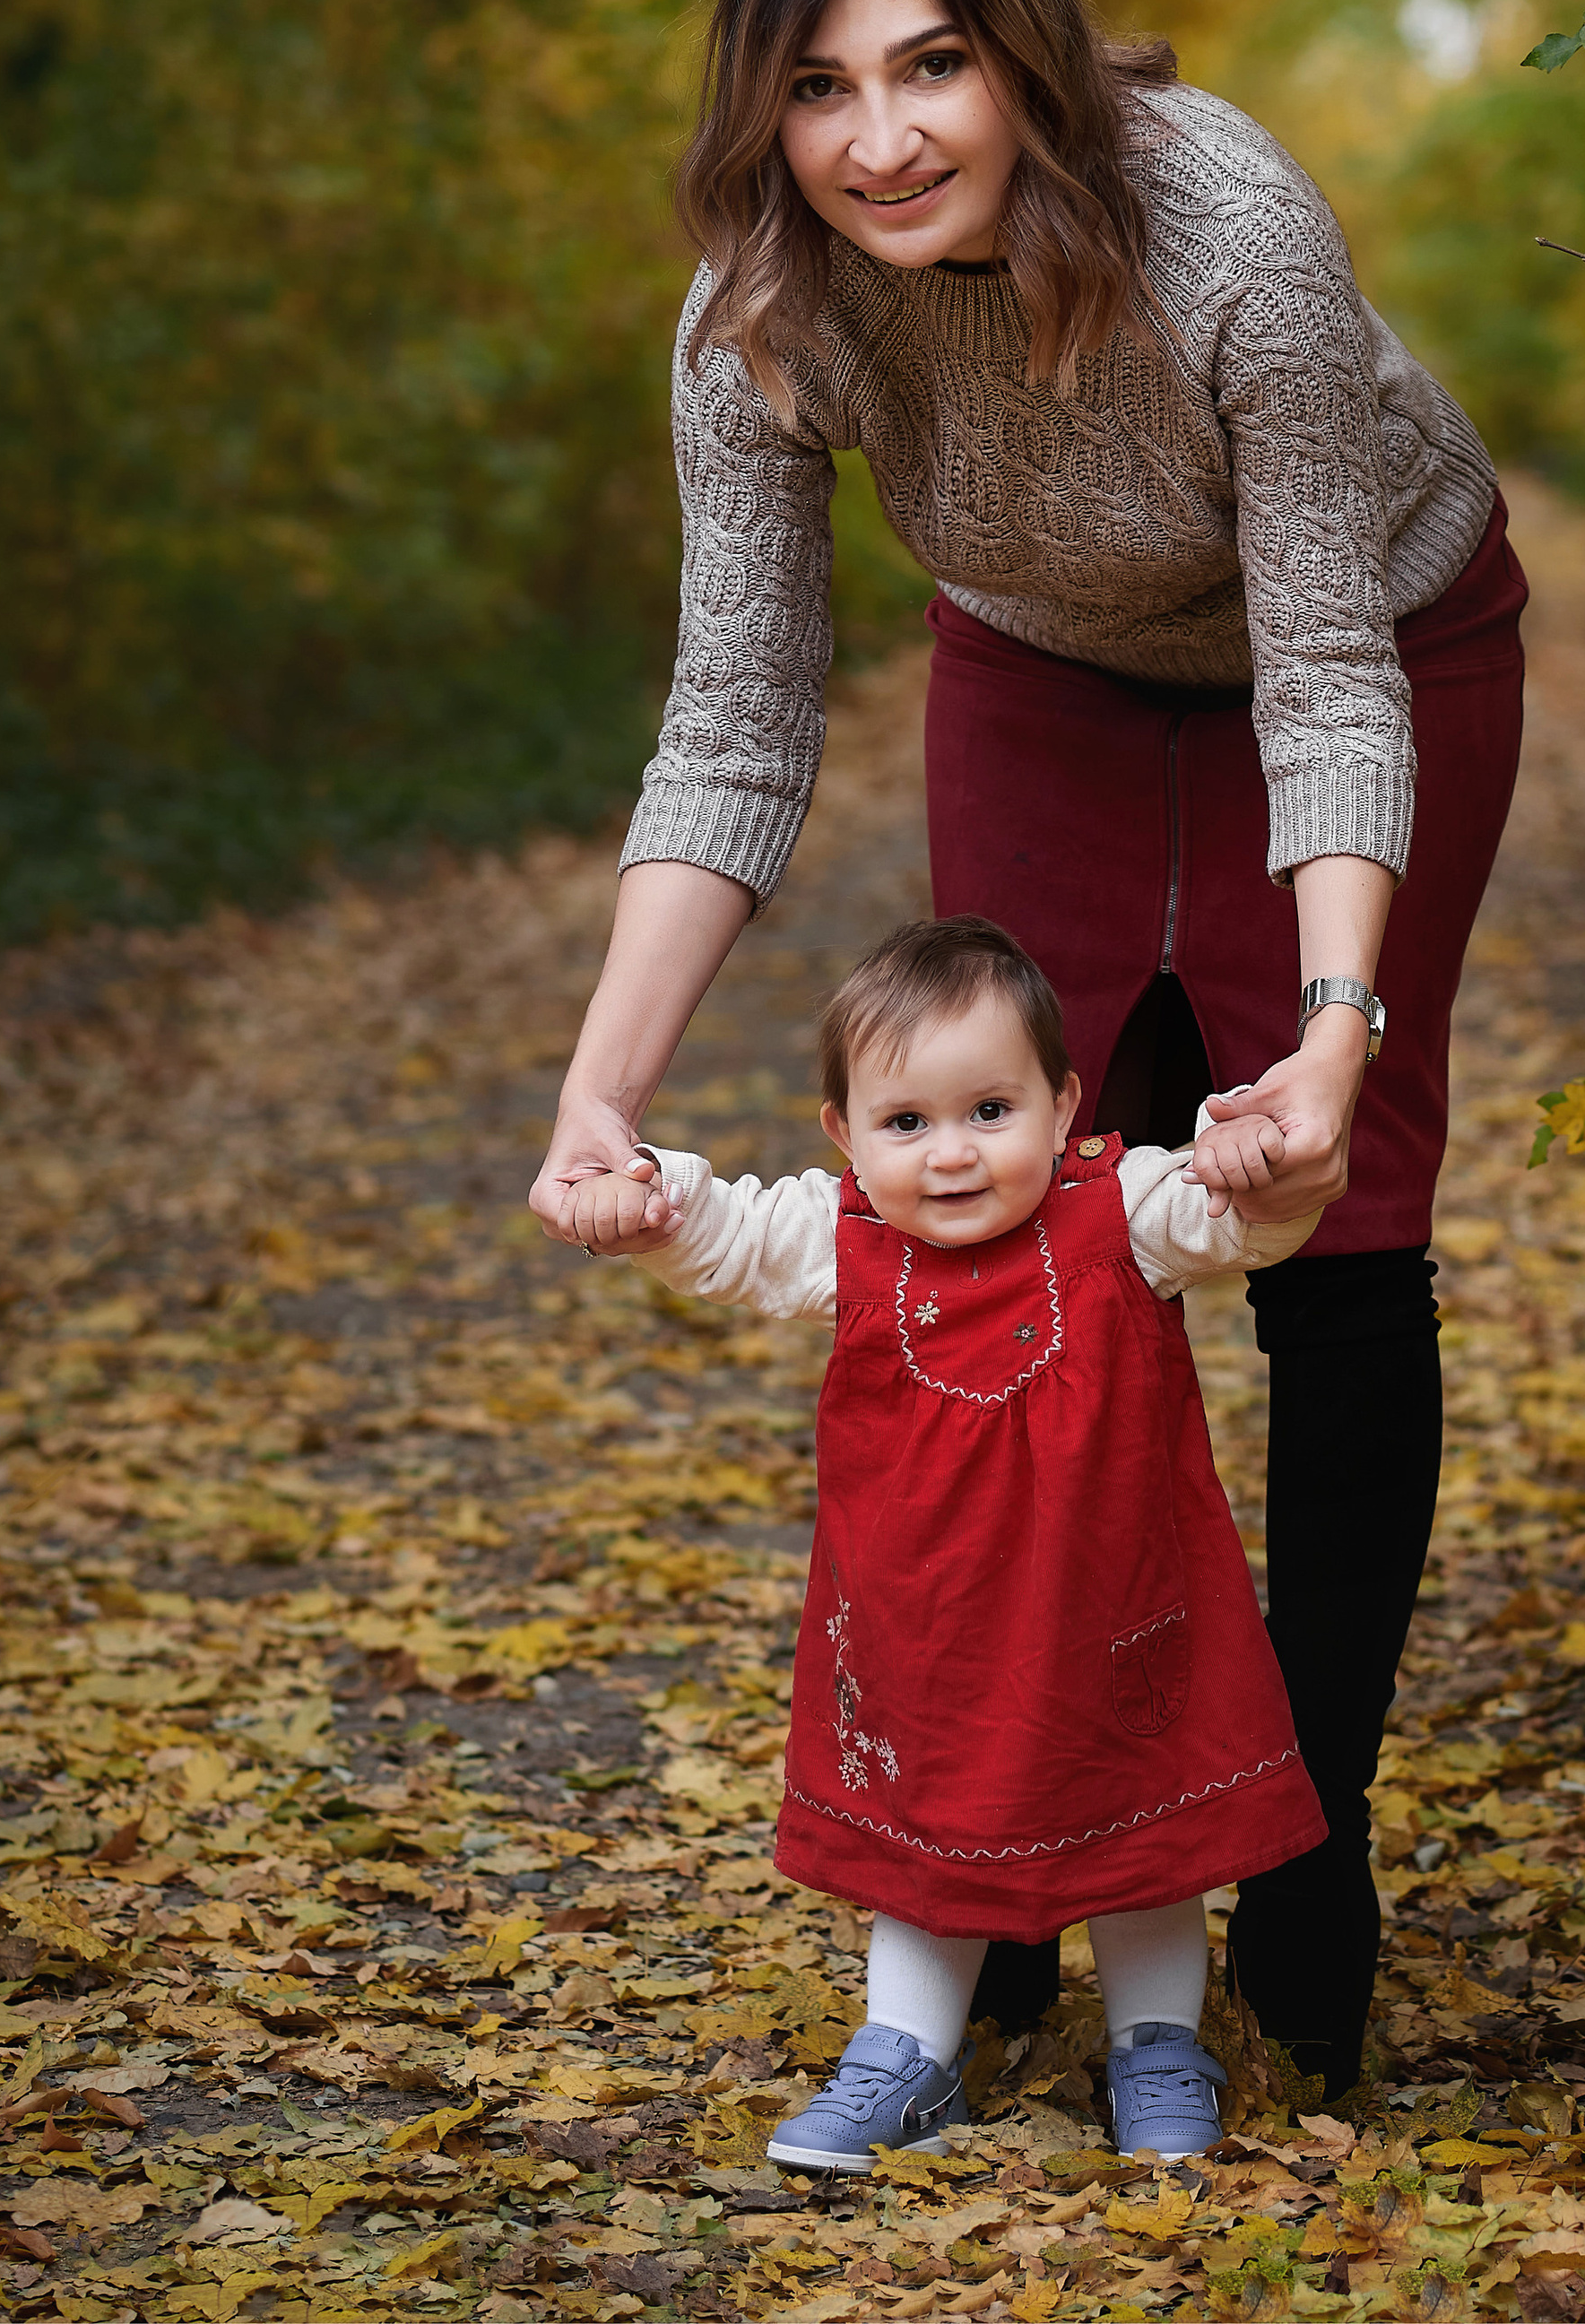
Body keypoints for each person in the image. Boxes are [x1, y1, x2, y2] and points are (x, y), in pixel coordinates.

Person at [531, 0, 1528, 2097]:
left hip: (1382, 630)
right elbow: (735, 718)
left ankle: (1304, 1825)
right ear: (758, 114)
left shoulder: (1231, 237)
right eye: (815, 87)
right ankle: (994, 1855)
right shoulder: (766, 316)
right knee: (996, 1230)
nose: (876, 139)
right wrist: (604, 1088)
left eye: (933, 67)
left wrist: (1334, 1031)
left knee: (1322, 1216)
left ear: (1033, 65)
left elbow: (1324, 679)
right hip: (1044, 673)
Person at [551, 915, 1325, 2170]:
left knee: (1149, 1818)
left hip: (1115, 1605)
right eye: (907, 1123)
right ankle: (904, 2052)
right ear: (847, 1135)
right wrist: (652, 1191)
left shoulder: (1118, 1211)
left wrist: (1255, 1165)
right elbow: (730, 1235)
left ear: (1065, 1105)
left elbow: (1235, 1224)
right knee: (925, 1832)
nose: (952, 1153)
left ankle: (1158, 2040)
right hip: (930, 1629)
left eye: (989, 1109)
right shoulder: (844, 1236)